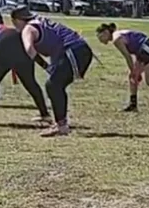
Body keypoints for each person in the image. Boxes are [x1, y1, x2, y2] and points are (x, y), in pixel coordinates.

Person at [17, 7, 93, 137]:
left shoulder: (28, 28)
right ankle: (61, 123)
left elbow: (29, 49)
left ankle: (61, 126)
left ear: (17, 20)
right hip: (79, 50)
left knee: (53, 85)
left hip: (73, 50)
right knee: (55, 85)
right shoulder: (41, 21)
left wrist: (45, 66)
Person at [96, 23, 149, 114]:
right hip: (142, 50)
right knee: (132, 78)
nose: (100, 41)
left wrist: (133, 70)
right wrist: (134, 72)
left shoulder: (116, 39)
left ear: (106, 32)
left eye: (100, 37)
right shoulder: (119, 34)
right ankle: (133, 105)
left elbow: (128, 57)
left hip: (148, 48)